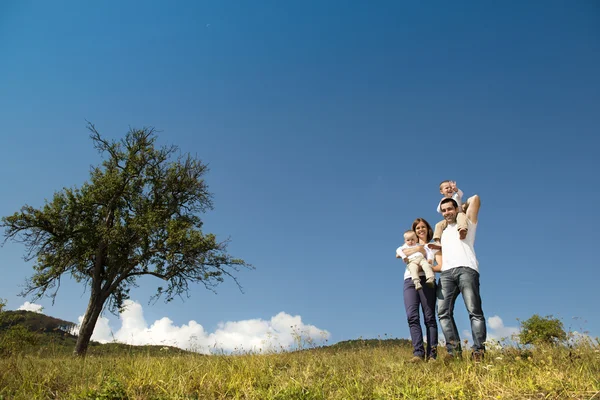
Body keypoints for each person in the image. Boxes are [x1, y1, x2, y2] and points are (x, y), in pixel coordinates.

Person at [433, 195, 486, 361]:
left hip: (466, 269)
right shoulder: (442, 231)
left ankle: (478, 351)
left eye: (450, 209)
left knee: (474, 311)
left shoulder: (467, 222)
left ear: (456, 209)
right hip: (447, 274)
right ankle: (454, 352)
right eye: (444, 210)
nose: (447, 212)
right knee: (442, 312)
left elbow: (476, 199)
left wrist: (460, 203)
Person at [396, 218, 439, 362]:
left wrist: (422, 251)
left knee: (429, 317)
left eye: (423, 227)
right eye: (417, 228)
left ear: (427, 229)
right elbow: (398, 253)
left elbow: (434, 262)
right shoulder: (408, 244)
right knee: (412, 316)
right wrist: (418, 249)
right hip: (409, 280)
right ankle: (418, 354)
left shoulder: (432, 245)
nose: (420, 230)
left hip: (426, 280)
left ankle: (432, 355)